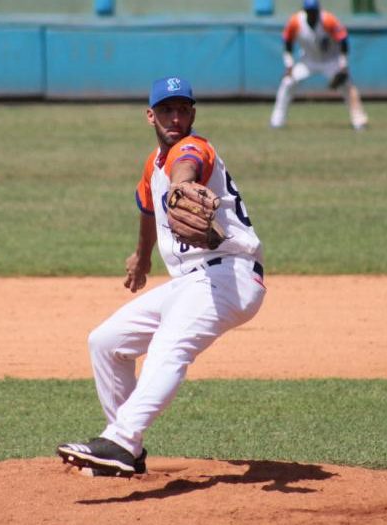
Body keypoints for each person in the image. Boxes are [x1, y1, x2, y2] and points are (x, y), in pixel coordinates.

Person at [57, 77, 266, 477]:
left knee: (169, 345)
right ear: (150, 116)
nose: (175, 117)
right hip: (191, 283)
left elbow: (186, 170)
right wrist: (142, 255)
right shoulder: (153, 164)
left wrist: (183, 187)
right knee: (106, 342)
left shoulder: (193, 149)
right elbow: (149, 208)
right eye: (166, 110)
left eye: (182, 109)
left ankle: (121, 439)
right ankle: (127, 453)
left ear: (192, 114)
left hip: (232, 277)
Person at [269, 0, 369, 130]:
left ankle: (359, 121)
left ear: (318, 10)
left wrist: (343, 65)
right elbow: (287, 42)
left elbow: (343, 40)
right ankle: (277, 121)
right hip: (308, 61)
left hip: (330, 60)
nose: (311, 14)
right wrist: (289, 65)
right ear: (304, 11)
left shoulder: (328, 20)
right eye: (309, 11)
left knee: (346, 85)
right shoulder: (296, 21)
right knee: (288, 82)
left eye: (314, 11)